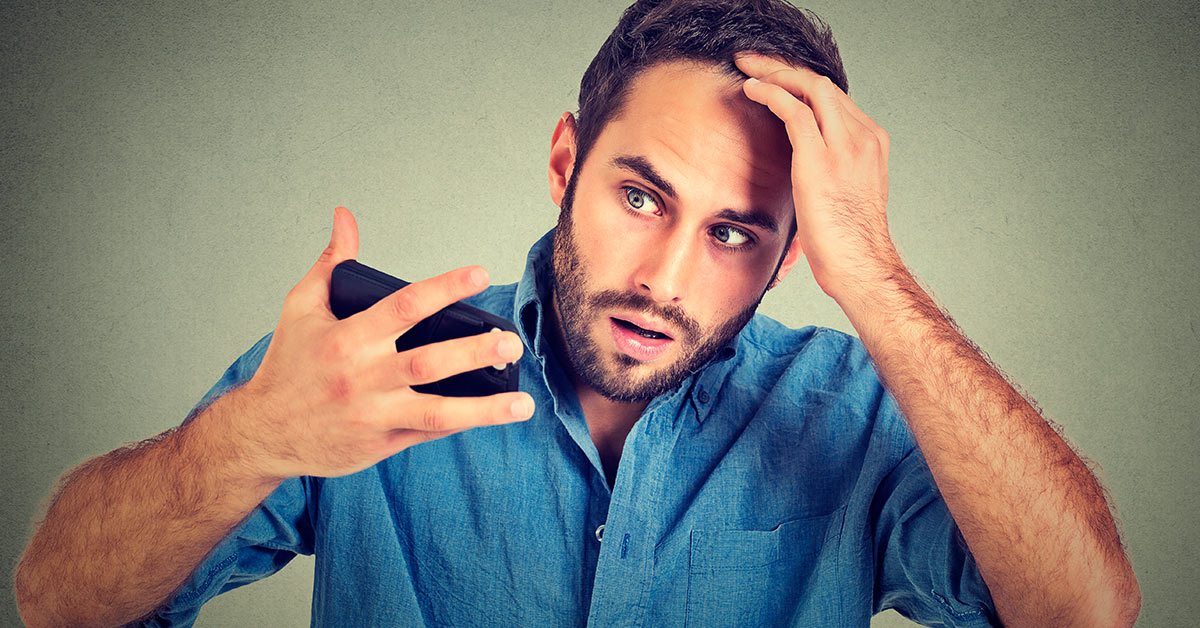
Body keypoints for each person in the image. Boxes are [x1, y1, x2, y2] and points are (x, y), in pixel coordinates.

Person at [15, 0, 1141, 626]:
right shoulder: (361, 371)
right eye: (640, 194)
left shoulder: (849, 417)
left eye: (735, 231)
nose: (665, 275)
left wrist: (877, 275)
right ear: (567, 159)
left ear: (792, 249)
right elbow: (55, 599)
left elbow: (1087, 615)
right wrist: (252, 436)